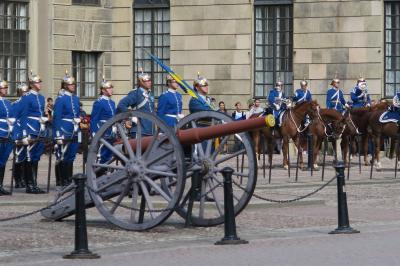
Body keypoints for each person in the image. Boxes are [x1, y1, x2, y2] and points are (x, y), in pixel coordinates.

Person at [14, 72, 47, 193]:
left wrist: (43, 119)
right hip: (29, 129)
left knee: (36, 158)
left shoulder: (42, 98)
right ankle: (29, 185)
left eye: (40, 82)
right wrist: (23, 133)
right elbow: (22, 116)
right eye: (38, 82)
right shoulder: (26, 97)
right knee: (28, 157)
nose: (40, 84)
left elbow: (41, 113)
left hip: (39, 129)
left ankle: (34, 183)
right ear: (32, 84)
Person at [53, 71, 80, 187]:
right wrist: (57, 134)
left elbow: (77, 112)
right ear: (65, 86)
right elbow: (57, 117)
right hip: (64, 129)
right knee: (62, 155)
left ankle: (69, 178)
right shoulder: (61, 99)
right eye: (70, 84)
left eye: (74, 84)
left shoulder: (75, 98)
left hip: (74, 129)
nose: (73, 86)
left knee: (71, 155)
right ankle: (62, 180)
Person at [117, 69, 155, 136]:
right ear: (141, 82)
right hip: (139, 129)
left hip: (150, 130)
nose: (149, 82)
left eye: (150, 80)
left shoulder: (150, 94)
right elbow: (121, 105)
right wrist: (131, 117)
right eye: (147, 81)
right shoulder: (135, 93)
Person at [90, 77, 116, 165]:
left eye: (111, 88)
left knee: (108, 155)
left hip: (111, 132)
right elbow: (94, 119)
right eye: (109, 88)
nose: (111, 90)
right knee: (101, 155)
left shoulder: (112, 103)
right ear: (103, 90)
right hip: (103, 132)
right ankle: (99, 175)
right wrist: (95, 133)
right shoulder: (99, 102)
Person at [12, 83, 29, 189]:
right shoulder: (16, 104)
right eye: (24, 92)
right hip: (19, 133)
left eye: (27, 92)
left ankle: (26, 179)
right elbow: (14, 121)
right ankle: (18, 180)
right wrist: (17, 135)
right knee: (19, 157)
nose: (26, 94)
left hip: (29, 132)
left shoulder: (29, 104)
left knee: (28, 158)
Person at [0, 79, 14, 195]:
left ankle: (0, 185)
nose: (5, 90)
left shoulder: (8, 103)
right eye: (3, 88)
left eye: (6, 88)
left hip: (7, 134)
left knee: (3, 161)